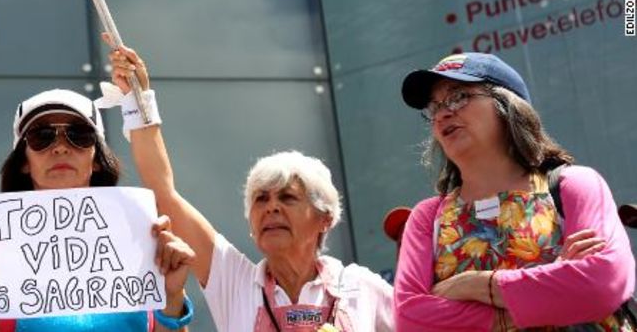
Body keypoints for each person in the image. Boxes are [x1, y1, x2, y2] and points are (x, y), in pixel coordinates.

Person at [105, 38, 394, 332]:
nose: (271, 208)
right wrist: (136, 101)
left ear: (325, 218)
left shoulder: (359, 287)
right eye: (261, 200)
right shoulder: (234, 281)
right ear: (252, 225)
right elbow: (163, 194)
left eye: (287, 198)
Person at [395, 52, 636, 331]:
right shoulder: (428, 217)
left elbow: (603, 284)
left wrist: (478, 285)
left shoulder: (574, 185)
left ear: (508, 105)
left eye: (458, 96)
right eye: (434, 107)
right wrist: (551, 287)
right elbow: (410, 320)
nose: (443, 113)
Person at [0, 88, 197, 332]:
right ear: (24, 161)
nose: (60, 148)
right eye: (42, 136)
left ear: (97, 158)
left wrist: (173, 296)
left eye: (78, 135)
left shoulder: (140, 242)